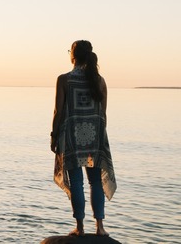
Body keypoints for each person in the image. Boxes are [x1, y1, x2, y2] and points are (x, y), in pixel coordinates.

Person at [51, 40, 117, 236]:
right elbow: (103, 114)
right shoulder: (99, 81)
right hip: (95, 136)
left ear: (72, 55)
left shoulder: (64, 80)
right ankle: (100, 228)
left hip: (71, 136)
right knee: (96, 182)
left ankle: (79, 228)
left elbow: (58, 111)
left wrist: (54, 136)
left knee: (77, 182)